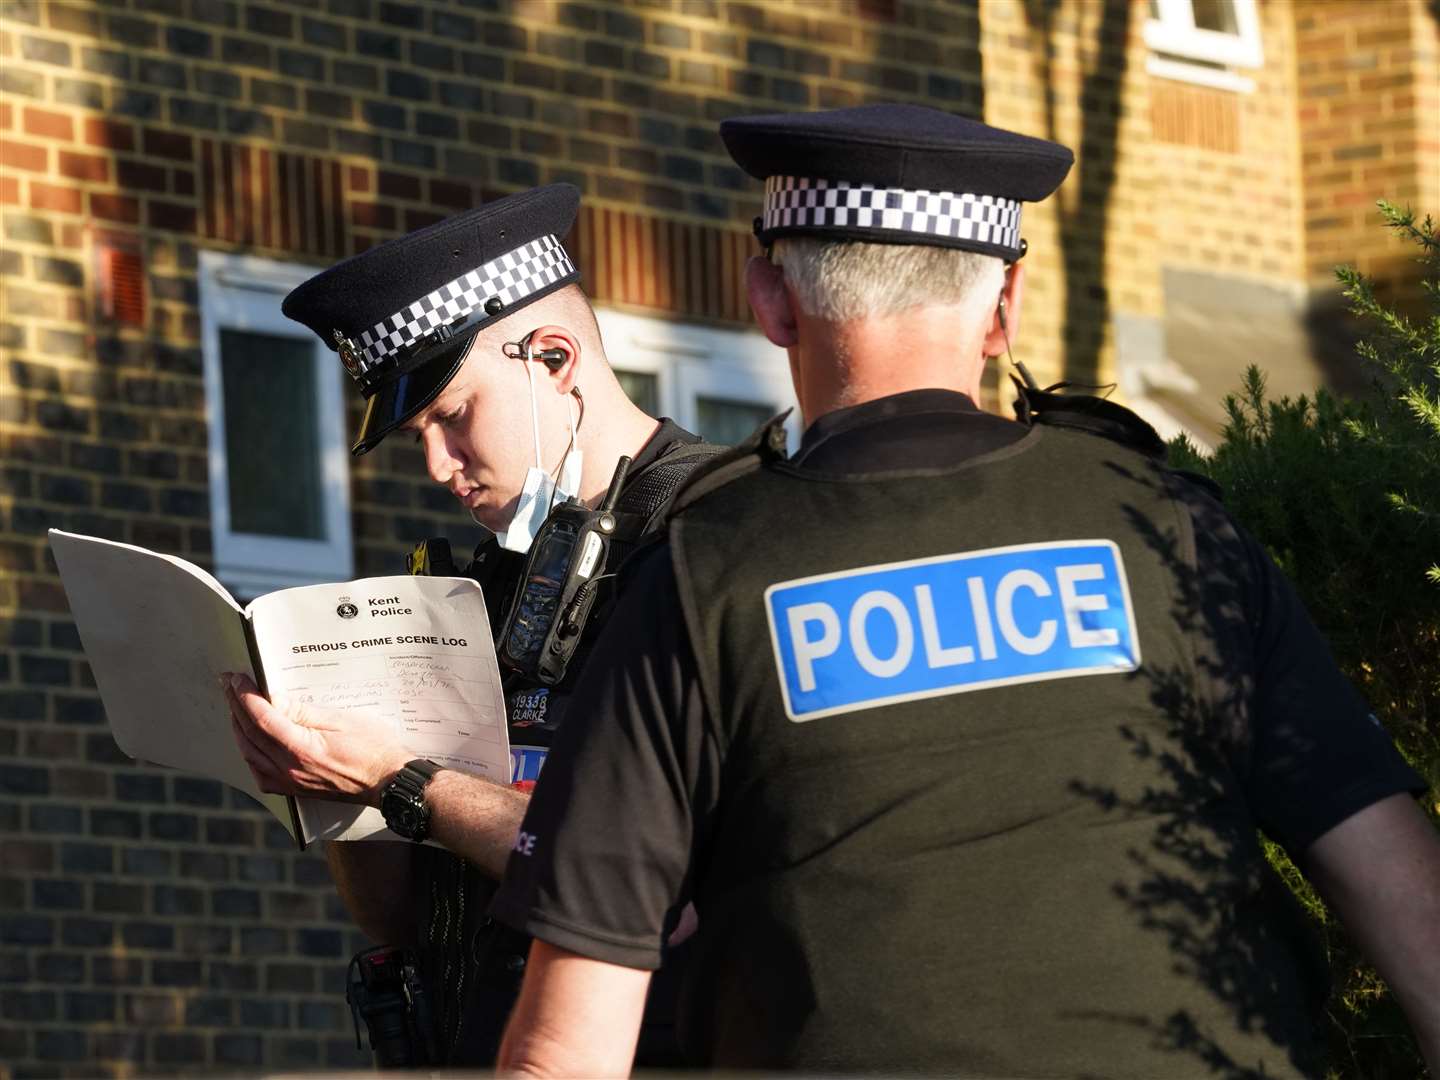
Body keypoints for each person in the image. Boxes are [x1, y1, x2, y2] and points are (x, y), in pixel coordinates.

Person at [485, 105, 1440, 1076]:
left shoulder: (700, 574)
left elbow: (570, 1039)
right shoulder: (1171, 528)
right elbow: (1402, 893)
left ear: (770, 300)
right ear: (1005, 307)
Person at [229, 183, 715, 1066]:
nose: (438, 465)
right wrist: (336, 786)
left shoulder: (719, 542)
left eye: (452, 416)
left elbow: (662, 891)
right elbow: (409, 919)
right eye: (417, 431)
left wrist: (409, 782)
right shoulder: (480, 589)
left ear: (556, 358)